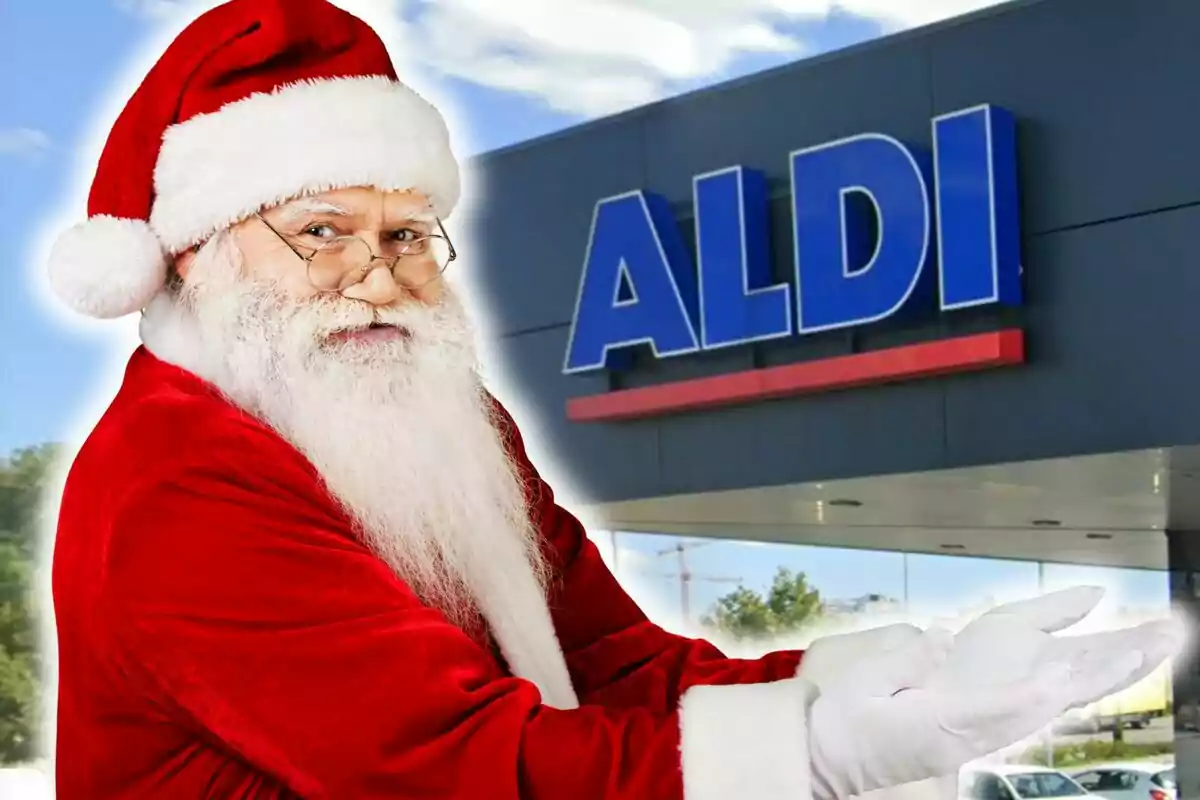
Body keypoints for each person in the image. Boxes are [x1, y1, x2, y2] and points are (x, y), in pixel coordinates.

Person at [44, 1, 1181, 798]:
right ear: (192, 255)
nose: (378, 275)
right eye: (321, 231)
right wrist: (826, 753)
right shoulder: (175, 481)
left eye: (405, 235)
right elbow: (447, 767)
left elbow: (620, 665)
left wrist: (895, 677)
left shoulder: (446, 427)